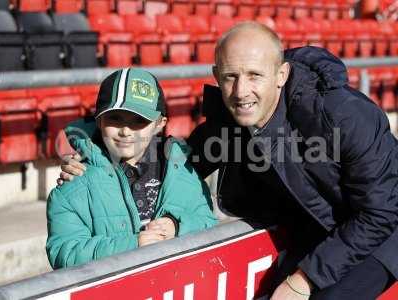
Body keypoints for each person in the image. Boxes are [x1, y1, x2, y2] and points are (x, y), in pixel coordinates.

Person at [58, 22, 398, 299]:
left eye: (254, 75)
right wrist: (92, 153)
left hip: (381, 235)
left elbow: (382, 211)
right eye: (231, 77)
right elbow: (175, 163)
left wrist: (303, 280)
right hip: (317, 230)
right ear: (216, 75)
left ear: (281, 75)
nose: (240, 91)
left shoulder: (344, 116)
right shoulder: (231, 120)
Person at [46, 67, 217, 269]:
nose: (126, 131)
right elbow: (64, 253)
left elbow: (207, 220)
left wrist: (177, 225)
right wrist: (132, 245)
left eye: (139, 121)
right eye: (115, 118)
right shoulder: (73, 184)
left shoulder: (183, 171)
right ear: (99, 120)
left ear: (159, 124)